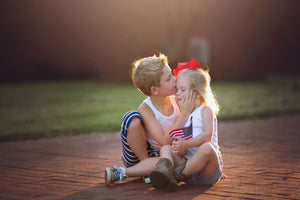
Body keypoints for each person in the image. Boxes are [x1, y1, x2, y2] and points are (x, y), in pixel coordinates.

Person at [105, 54, 195, 185]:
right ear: (155, 90)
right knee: (131, 117)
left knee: (173, 159)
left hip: (164, 155)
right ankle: (135, 169)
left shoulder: (178, 99)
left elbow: (195, 128)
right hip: (140, 154)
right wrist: (184, 113)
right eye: (169, 78)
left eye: (172, 74)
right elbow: (164, 140)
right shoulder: (146, 108)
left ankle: (150, 171)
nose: (175, 79)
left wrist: (210, 167)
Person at [149, 58, 225, 191]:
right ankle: (164, 171)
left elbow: (207, 136)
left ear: (197, 92)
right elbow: (183, 143)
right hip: (189, 169)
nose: (177, 94)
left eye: (182, 90)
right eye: (177, 90)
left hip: (206, 172)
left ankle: (175, 176)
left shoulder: (205, 110)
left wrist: (187, 144)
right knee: (166, 147)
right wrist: (181, 148)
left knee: (206, 148)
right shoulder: (185, 114)